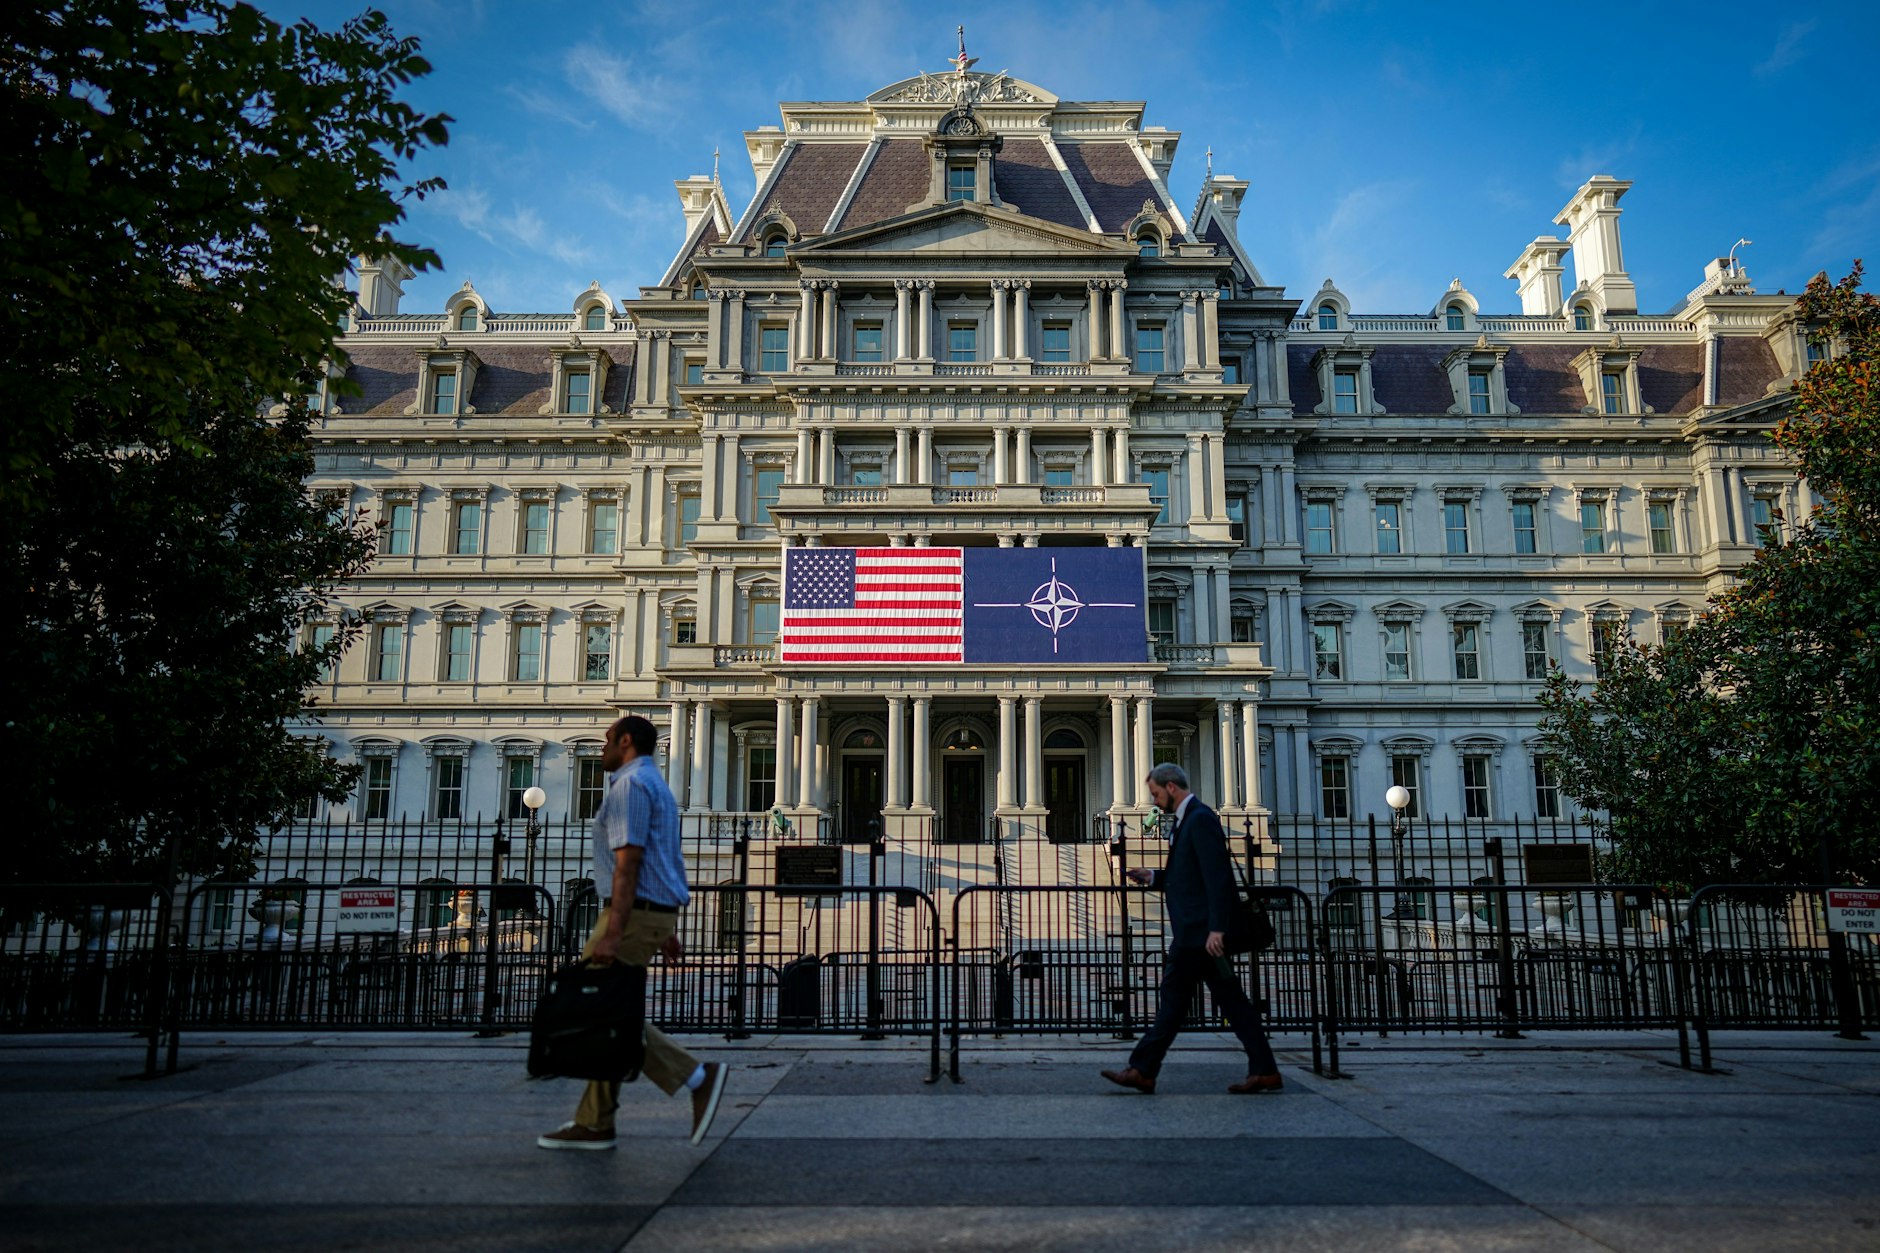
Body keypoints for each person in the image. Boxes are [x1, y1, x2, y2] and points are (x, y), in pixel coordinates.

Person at [538, 714, 729, 1149]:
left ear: (626, 741)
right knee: (608, 1012)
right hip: (648, 911)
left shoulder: (629, 787)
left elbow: (629, 863)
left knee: (601, 1010)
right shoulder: (657, 785)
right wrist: (661, 927)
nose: (601, 746)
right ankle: (595, 1121)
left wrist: (615, 930)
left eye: (607, 740)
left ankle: (696, 1076)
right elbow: (666, 855)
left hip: (630, 912)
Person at [1100, 762, 1282, 1096]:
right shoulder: (1188, 819)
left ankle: (1142, 1069)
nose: (1153, 802)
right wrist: (1154, 877)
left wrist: (1217, 928)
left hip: (1200, 935)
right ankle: (1265, 1069)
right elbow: (1190, 875)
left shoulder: (1199, 819)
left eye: (1155, 794)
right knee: (1231, 1004)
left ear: (1171, 787)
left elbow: (1218, 878)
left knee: (1174, 1002)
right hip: (1197, 934)